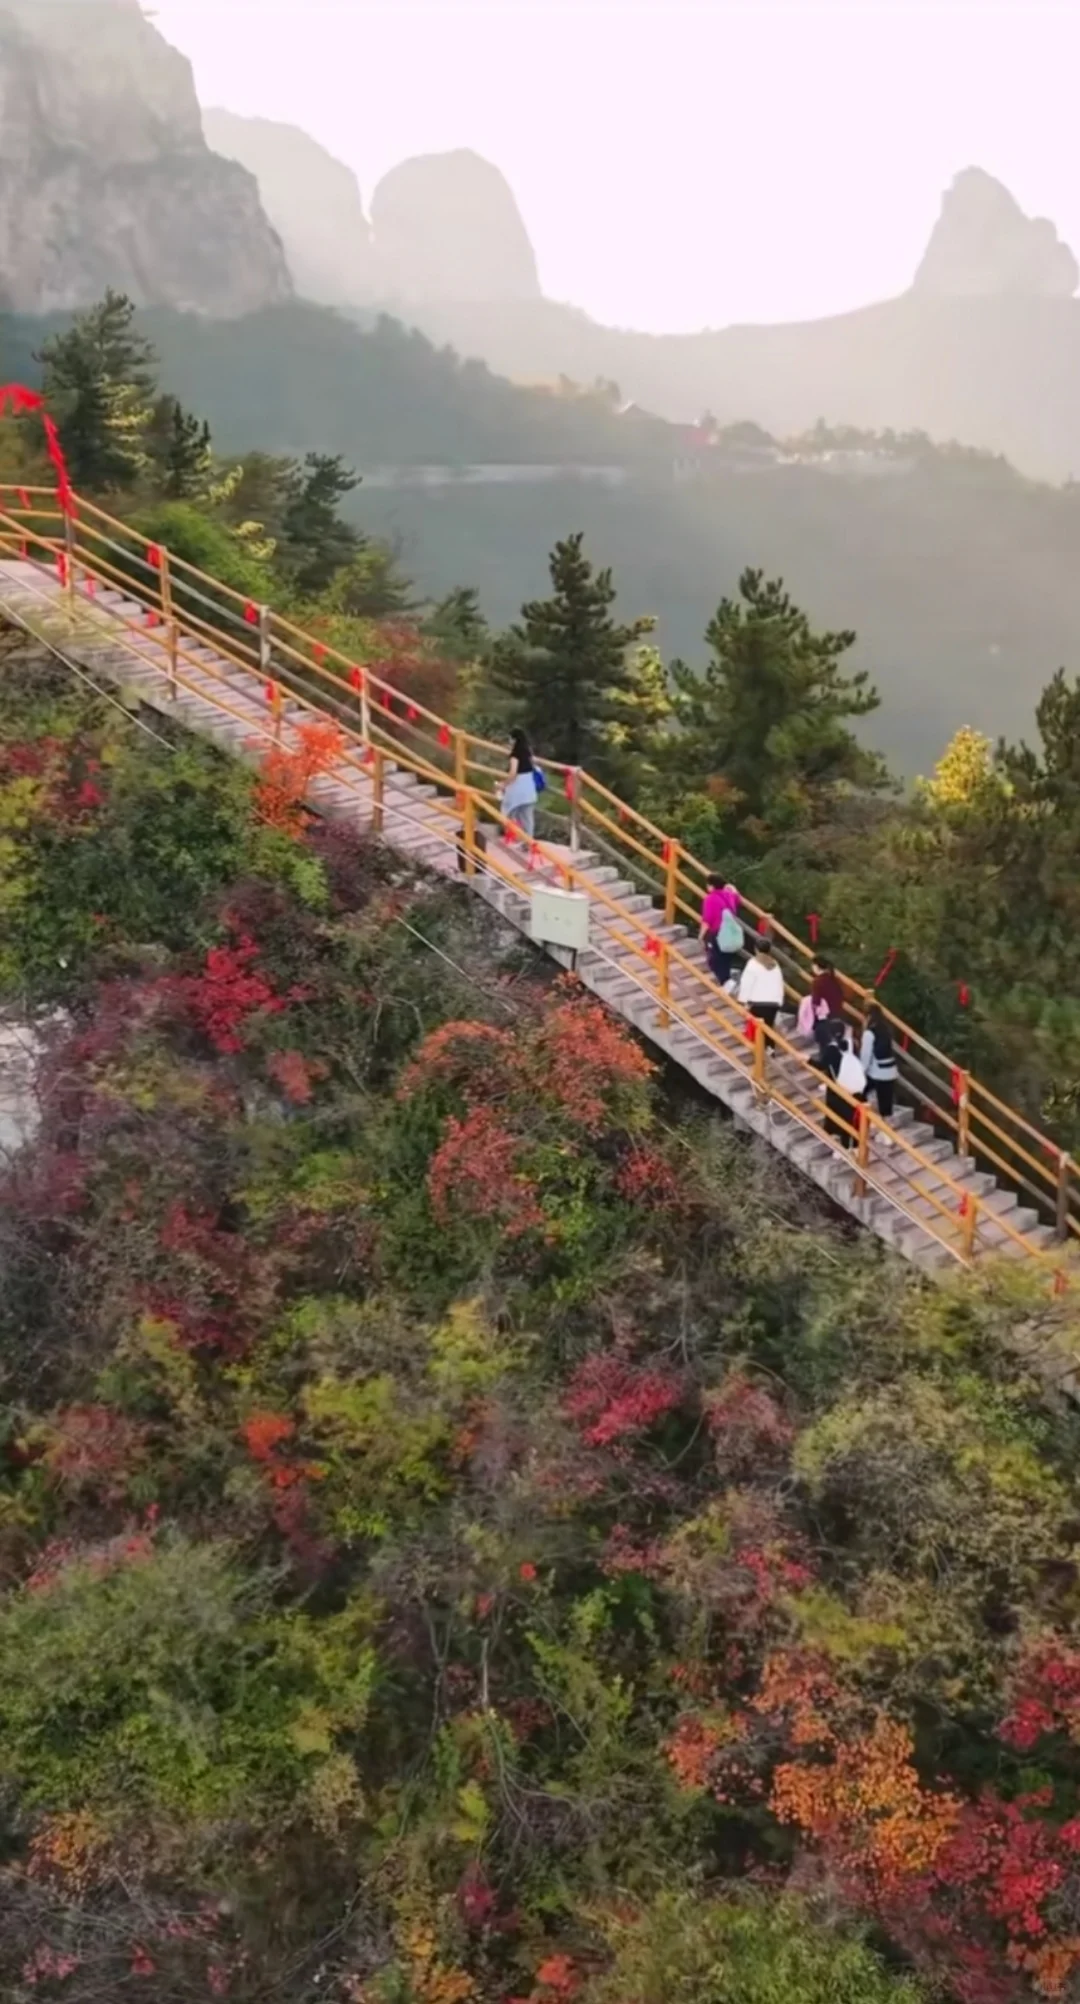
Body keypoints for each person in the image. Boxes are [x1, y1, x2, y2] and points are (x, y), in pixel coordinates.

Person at [812, 1014, 866, 1149]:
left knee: (839, 1116)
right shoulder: (851, 1044)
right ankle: (855, 1145)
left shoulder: (832, 1050)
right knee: (850, 1115)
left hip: (837, 1087)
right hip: (852, 1086)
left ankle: (843, 1147)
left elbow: (822, 1065)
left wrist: (806, 1059)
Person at [860, 1003, 898, 1138]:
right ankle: (888, 1134)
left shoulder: (869, 1033)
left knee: (860, 1093)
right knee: (886, 1107)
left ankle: (868, 1125)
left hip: (877, 1072)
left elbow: (866, 1056)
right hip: (891, 1071)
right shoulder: (887, 1029)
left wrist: (860, 1072)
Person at [737, 938, 785, 1043]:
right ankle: (770, 1050)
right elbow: (780, 983)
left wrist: (743, 1001)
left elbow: (746, 983)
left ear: (756, 949)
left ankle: (760, 1054)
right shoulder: (775, 964)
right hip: (773, 1003)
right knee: (769, 1028)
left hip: (757, 1003)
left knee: (758, 1030)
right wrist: (779, 1001)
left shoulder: (753, 963)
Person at [699, 877, 743, 988]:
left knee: (714, 960)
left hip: (717, 932)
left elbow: (707, 920)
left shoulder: (710, 899)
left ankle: (726, 983)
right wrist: (734, 890)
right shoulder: (728, 895)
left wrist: (701, 935)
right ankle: (728, 981)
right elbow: (738, 899)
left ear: (712, 886)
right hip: (730, 932)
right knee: (726, 959)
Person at [502, 729, 539, 839]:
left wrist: (503, 784)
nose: (509, 741)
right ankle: (529, 843)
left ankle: (513, 836)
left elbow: (513, 773)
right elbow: (534, 763)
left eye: (510, 739)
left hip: (518, 789)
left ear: (514, 740)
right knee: (528, 818)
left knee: (509, 812)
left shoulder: (515, 755)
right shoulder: (528, 752)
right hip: (529, 787)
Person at [810, 957, 846, 1055]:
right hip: (838, 1017)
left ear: (816, 966)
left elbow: (815, 1002)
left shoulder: (817, 982)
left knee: (825, 1050)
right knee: (837, 1049)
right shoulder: (835, 980)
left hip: (825, 1020)